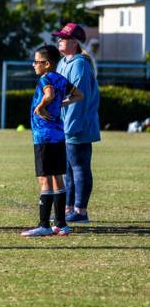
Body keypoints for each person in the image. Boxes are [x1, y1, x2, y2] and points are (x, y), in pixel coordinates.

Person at [21, 45, 83, 237]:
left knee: (44, 179)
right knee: (58, 178)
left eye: (36, 62)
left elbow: (49, 95)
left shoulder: (46, 78)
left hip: (44, 135)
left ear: (47, 64)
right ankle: (61, 224)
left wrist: (40, 107)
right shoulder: (60, 78)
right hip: (58, 134)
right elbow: (78, 95)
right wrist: (63, 103)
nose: (33, 65)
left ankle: (44, 225)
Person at [53, 23, 100, 223]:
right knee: (68, 169)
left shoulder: (80, 64)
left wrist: (70, 126)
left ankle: (81, 211)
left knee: (79, 167)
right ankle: (69, 207)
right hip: (64, 125)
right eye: (59, 37)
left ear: (74, 42)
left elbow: (78, 99)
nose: (59, 40)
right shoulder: (63, 62)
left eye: (63, 38)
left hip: (77, 125)